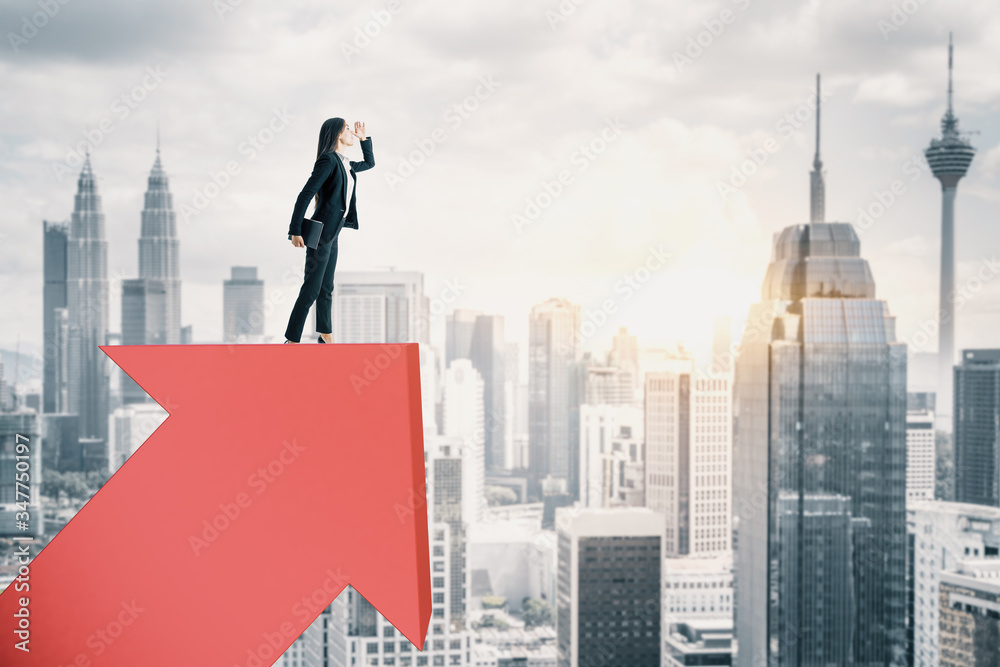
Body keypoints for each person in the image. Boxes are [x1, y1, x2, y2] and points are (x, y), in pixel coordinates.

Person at [283, 118, 375, 343]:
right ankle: (292, 339)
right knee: (312, 289)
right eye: (347, 129)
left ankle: (325, 335)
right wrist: (296, 230)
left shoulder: (346, 164)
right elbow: (305, 195)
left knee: (326, 288)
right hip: (321, 233)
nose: (351, 132)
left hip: (333, 234)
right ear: (336, 134)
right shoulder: (328, 161)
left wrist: (364, 140)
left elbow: (370, 163)